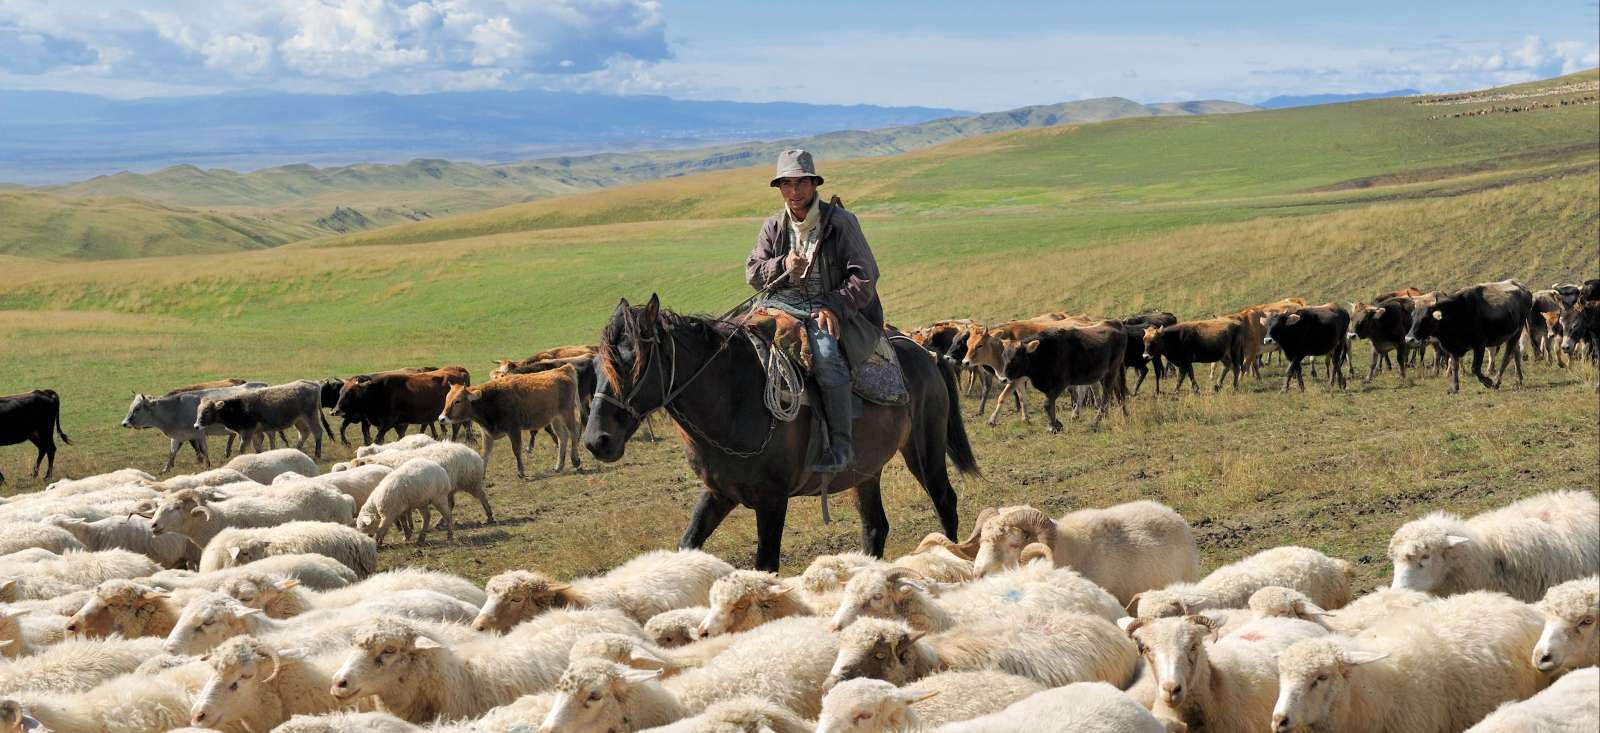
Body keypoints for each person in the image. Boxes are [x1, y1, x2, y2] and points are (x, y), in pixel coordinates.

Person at [745, 149, 884, 474]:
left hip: (825, 305)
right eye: (787, 184)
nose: (794, 192)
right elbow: (752, 272)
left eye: (801, 183)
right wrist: (782, 265)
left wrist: (834, 305)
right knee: (736, 340)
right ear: (780, 188)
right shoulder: (774, 227)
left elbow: (865, 276)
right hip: (779, 305)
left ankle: (840, 447)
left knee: (824, 355)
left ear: (814, 183)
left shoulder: (840, 223)